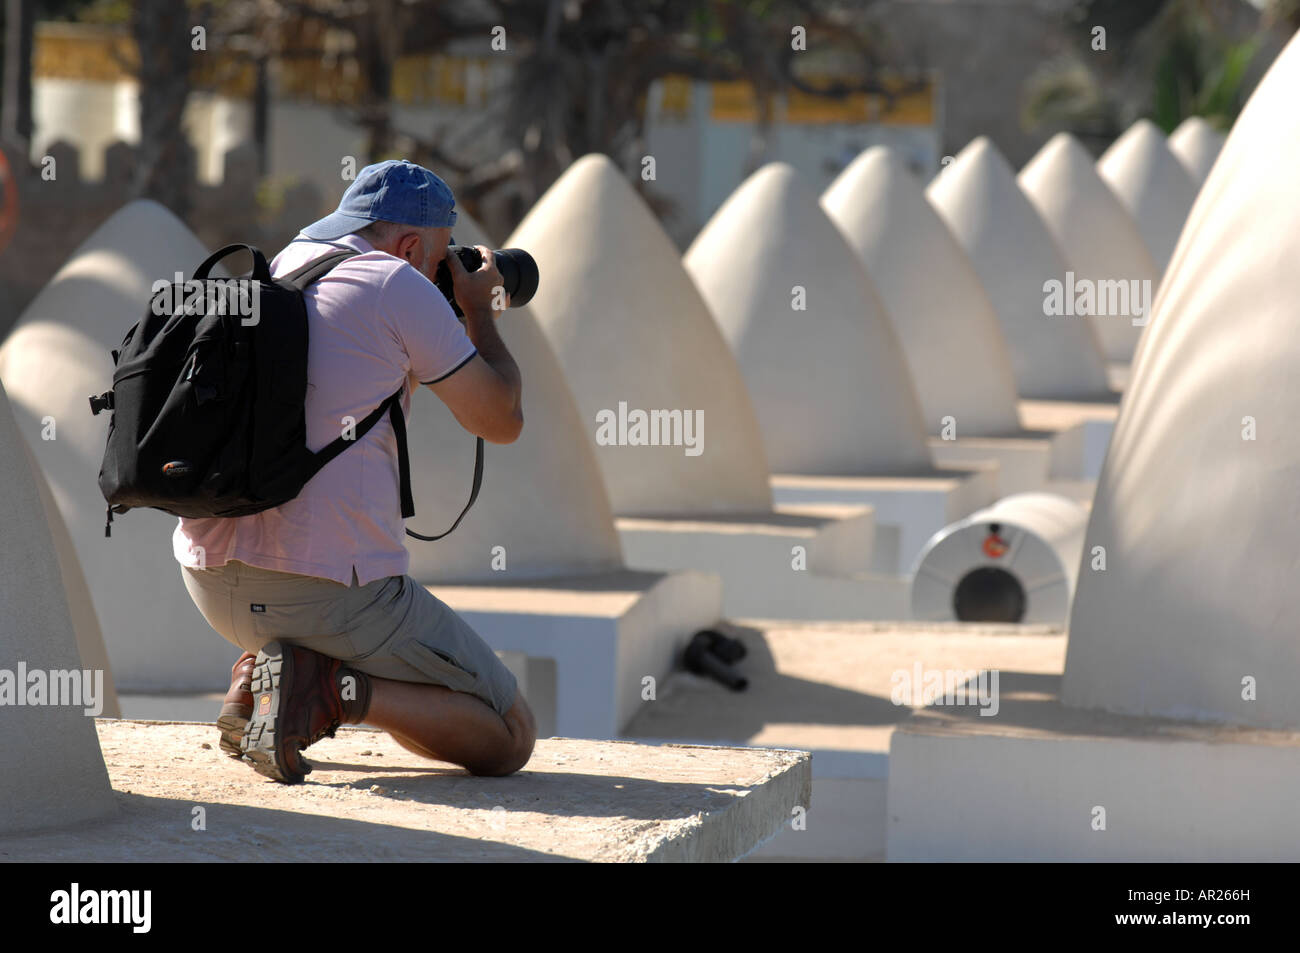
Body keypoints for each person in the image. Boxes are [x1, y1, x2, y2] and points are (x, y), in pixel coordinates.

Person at [176, 159, 535, 783]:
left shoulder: (284, 266)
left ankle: (259, 675)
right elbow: (500, 420)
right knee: (509, 736)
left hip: (209, 583)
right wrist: (480, 313)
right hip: (328, 596)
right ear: (410, 245)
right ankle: (326, 688)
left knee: (308, 615)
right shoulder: (398, 284)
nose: (443, 273)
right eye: (442, 256)